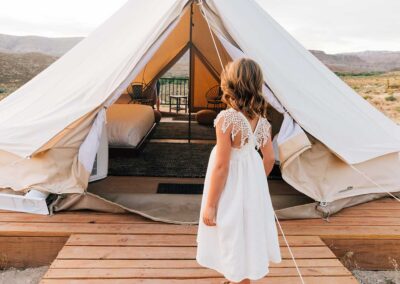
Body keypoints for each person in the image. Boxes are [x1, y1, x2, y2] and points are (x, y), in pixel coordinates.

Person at [196, 58, 282, 284]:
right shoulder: (263, 122)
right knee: (247, 228)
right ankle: (240, 277)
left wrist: (211, 204)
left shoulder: (226, 119)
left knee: (230, 228)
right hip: (252, 187)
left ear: (231, 84)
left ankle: (238, 278)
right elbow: (270, 158)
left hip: (230, 187)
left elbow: (222, 166)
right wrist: (255, 182)